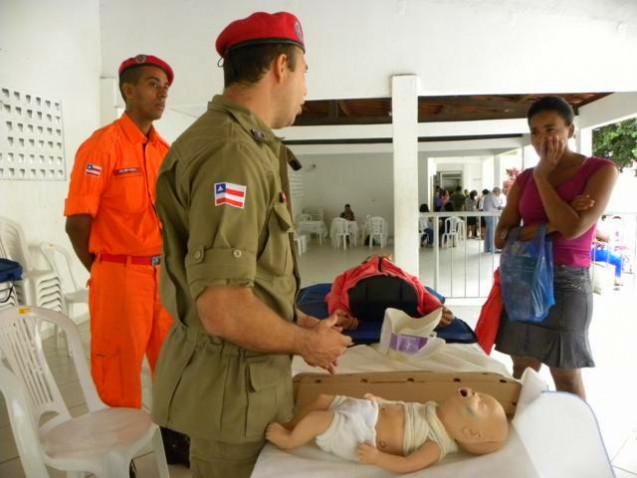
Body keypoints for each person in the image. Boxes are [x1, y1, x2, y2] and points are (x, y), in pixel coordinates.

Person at [151, 12, 351, 478]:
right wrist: (306, 344)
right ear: (281, 67)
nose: (306, 89)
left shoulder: (247, 143)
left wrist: (300, 320)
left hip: (245, 385)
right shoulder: (232, 152)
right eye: (305, 73)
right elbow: (222, 307)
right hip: (232, 393)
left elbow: (251, 280)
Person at [494, 96, 617, 400]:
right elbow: (501, 237)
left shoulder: (600, 171)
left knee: (565, 374)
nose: (541, 139)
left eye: (550, 129)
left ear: (570, 130)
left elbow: (576, 228)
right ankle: (524, 437)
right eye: (534, 131)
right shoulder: (524, 179)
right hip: (523, 278)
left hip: (567, 281)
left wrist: (543, 178)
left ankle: (578, 442)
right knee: (523, 369)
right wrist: (553, 224)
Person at [266, 387, 508, 474]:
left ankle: (290, 440)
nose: (476, 393)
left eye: (482, 402)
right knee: (322, 398)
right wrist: (382, 401)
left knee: (322, 419)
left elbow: (408, 465)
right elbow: (406, 409)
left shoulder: (438, 445)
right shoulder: (433, 409)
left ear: (470, 433)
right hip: (369, 410)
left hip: (364, 435)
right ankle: (293, 424)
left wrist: (377, 458)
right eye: (481, 393)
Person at [326, 255, 454, 330]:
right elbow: (423, 292)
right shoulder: (402, 272)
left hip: (361, 298)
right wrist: (436, 308)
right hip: (404, 298)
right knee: (414, 294)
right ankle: (433, 316)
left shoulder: (352, 272)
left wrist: (340, 313)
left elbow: (334, 295)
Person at [591, 216, 623, 287]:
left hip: (595, 251)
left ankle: (617, 279)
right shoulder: (596, 228)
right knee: (618, 261)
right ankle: (617, 279)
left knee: (618, 259)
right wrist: (599, 242)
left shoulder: (596, 228)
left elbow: (604, 239)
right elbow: (603, 238)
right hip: (593, 252)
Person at [482, 187, 504, 253]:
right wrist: (506, 208)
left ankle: (487, 248)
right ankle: (493, 249)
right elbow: (498, 206)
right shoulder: (492, 196)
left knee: (488, 232)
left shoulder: (489, 195)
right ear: (496, 192)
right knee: (492, 232)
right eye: (499, 193)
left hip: (488, 216)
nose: (499, 194)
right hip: (491, 215)